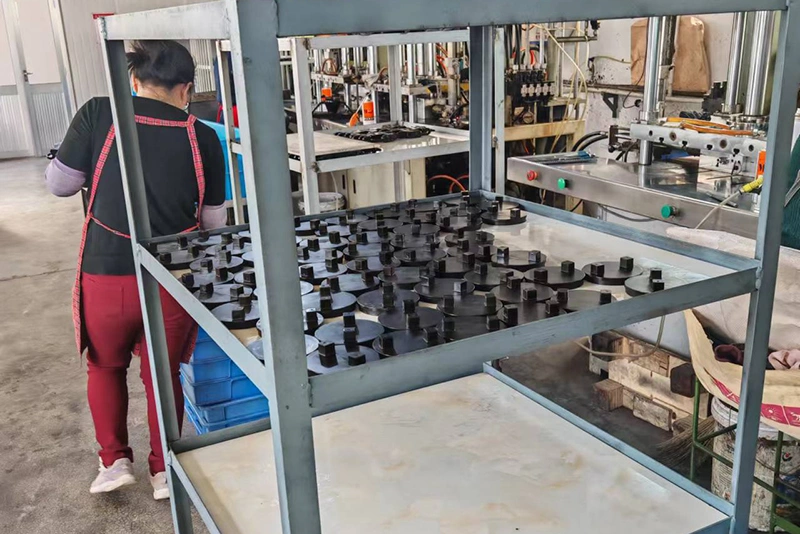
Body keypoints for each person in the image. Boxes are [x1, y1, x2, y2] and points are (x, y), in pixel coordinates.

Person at [45, 41, 227, 500]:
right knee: (160, 375)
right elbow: (213, 222)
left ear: (133, 81)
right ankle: (164, 470)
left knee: (104, 366)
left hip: (105, 273)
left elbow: (60, 186)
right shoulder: (203, 135)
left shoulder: (97, 114)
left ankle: (113, 462)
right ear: (187, 89)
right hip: (169, 278)